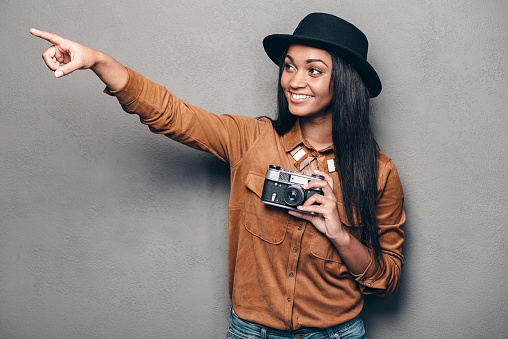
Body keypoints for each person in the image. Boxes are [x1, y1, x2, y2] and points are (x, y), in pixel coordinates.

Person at [31, 12, 405, 339]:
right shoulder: (252, 140)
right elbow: (171, 114)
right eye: (289, 66)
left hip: (336, 334)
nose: (294, 81)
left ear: (345, 83)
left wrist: (339, 233)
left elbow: (386, 280)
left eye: (314, 70)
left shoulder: (379, 173)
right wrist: (97, 61)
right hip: (252, 332)